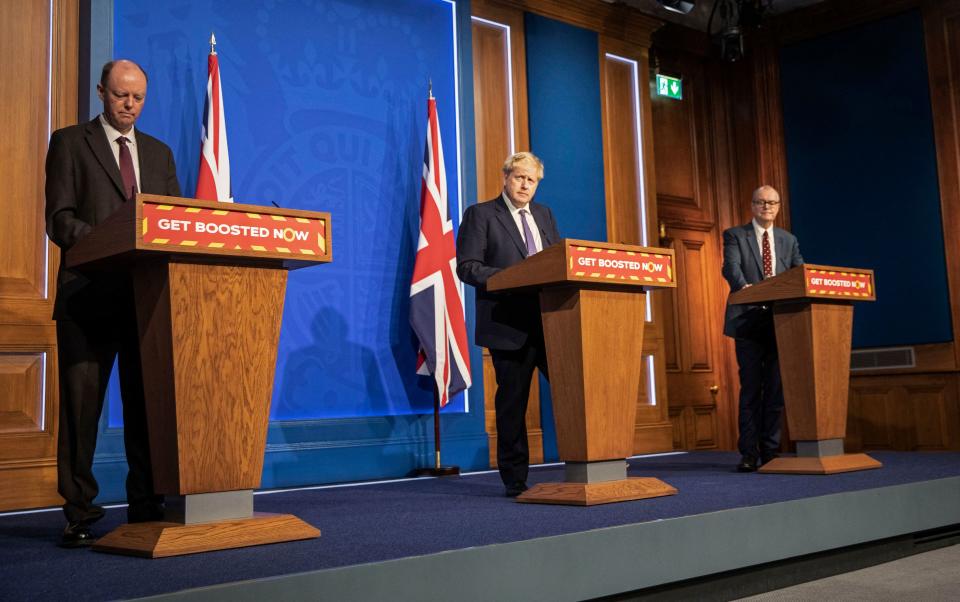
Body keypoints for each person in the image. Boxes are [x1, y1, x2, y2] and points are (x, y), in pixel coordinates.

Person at [45, 59, 181, 547]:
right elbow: (60, 221)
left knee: (147, 410)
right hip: (87, 299)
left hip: (146, 303)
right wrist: (112, 241)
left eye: (139, 98)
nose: (130, 105)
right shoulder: (69, 143)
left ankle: (147, 505)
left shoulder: (160, 154)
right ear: (102, 92)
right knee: (82, 414)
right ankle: (79, 511)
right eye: (122, 95)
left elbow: (172, 226)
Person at [456, 152, 561, 497]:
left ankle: (592, 460)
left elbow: (558, 260)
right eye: (519, 177)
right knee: (513, 403)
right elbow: (468, 267)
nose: (525, 185)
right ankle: (515, 479)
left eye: (531, 180)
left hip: (552, 324)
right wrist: (513, 277)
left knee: (575, 391)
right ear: (505, 177)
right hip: (508, 325)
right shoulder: (482, 214)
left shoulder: (544, 215)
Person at [721, 185, 804, 473]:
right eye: (760, 202)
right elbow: (731, 269)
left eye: (771, 203)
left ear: (778, 206)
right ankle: (748, 453)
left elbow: (799, 273)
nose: (766, 207)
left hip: (782, 323)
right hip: (749, 320)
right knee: (752, 389)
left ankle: (770, 452)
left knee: (776, 392)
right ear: (753, 206)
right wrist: (747, 290)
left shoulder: (788, 240)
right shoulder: (735, 235)